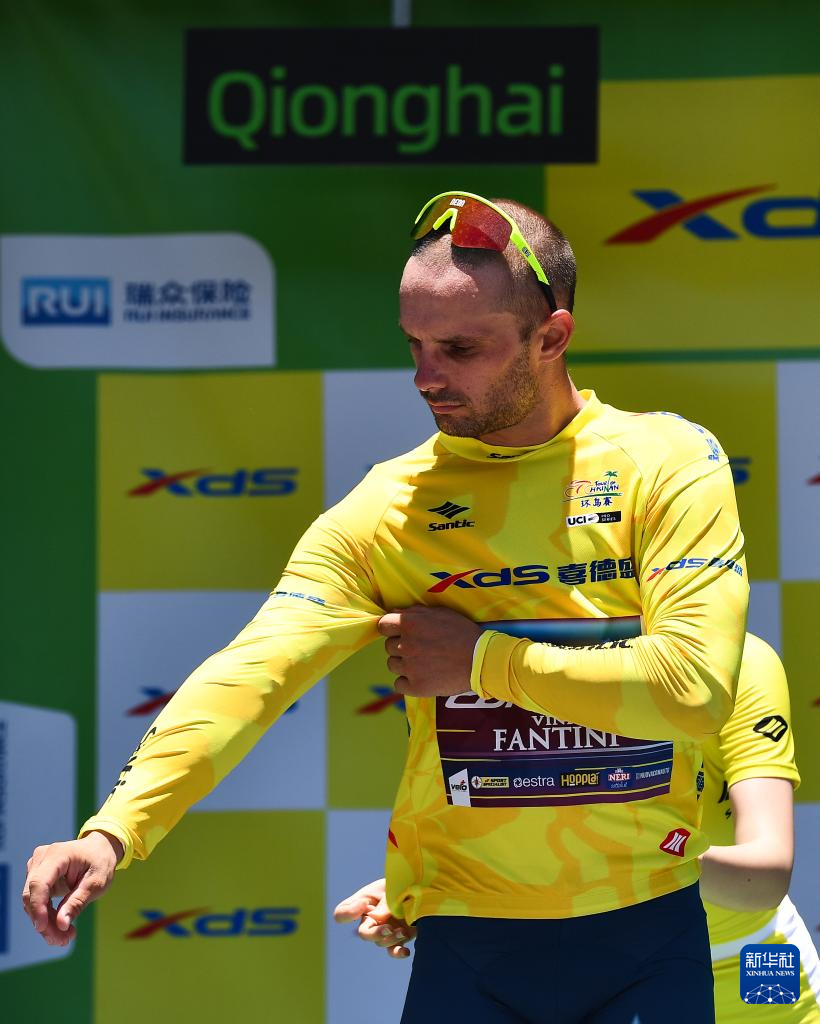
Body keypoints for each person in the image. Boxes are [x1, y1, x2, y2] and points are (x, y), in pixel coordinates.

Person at [22, 191, 749, 1022]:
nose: (425, 376)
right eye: (414, 344)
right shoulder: (390, 506)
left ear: (551, 338)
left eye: (459, 348)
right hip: (468, 944)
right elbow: (252, 673)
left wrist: (477, 661)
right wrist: (113, 830)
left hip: (646, 933)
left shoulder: (667, 461)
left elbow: (692, 689)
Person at [335, 632, 820, 1021]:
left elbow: (765, 876)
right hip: (579, 968)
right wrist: (441, 883)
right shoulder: (495, 658)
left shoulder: (735, 659)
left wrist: (631, 853)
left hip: (748, 962)